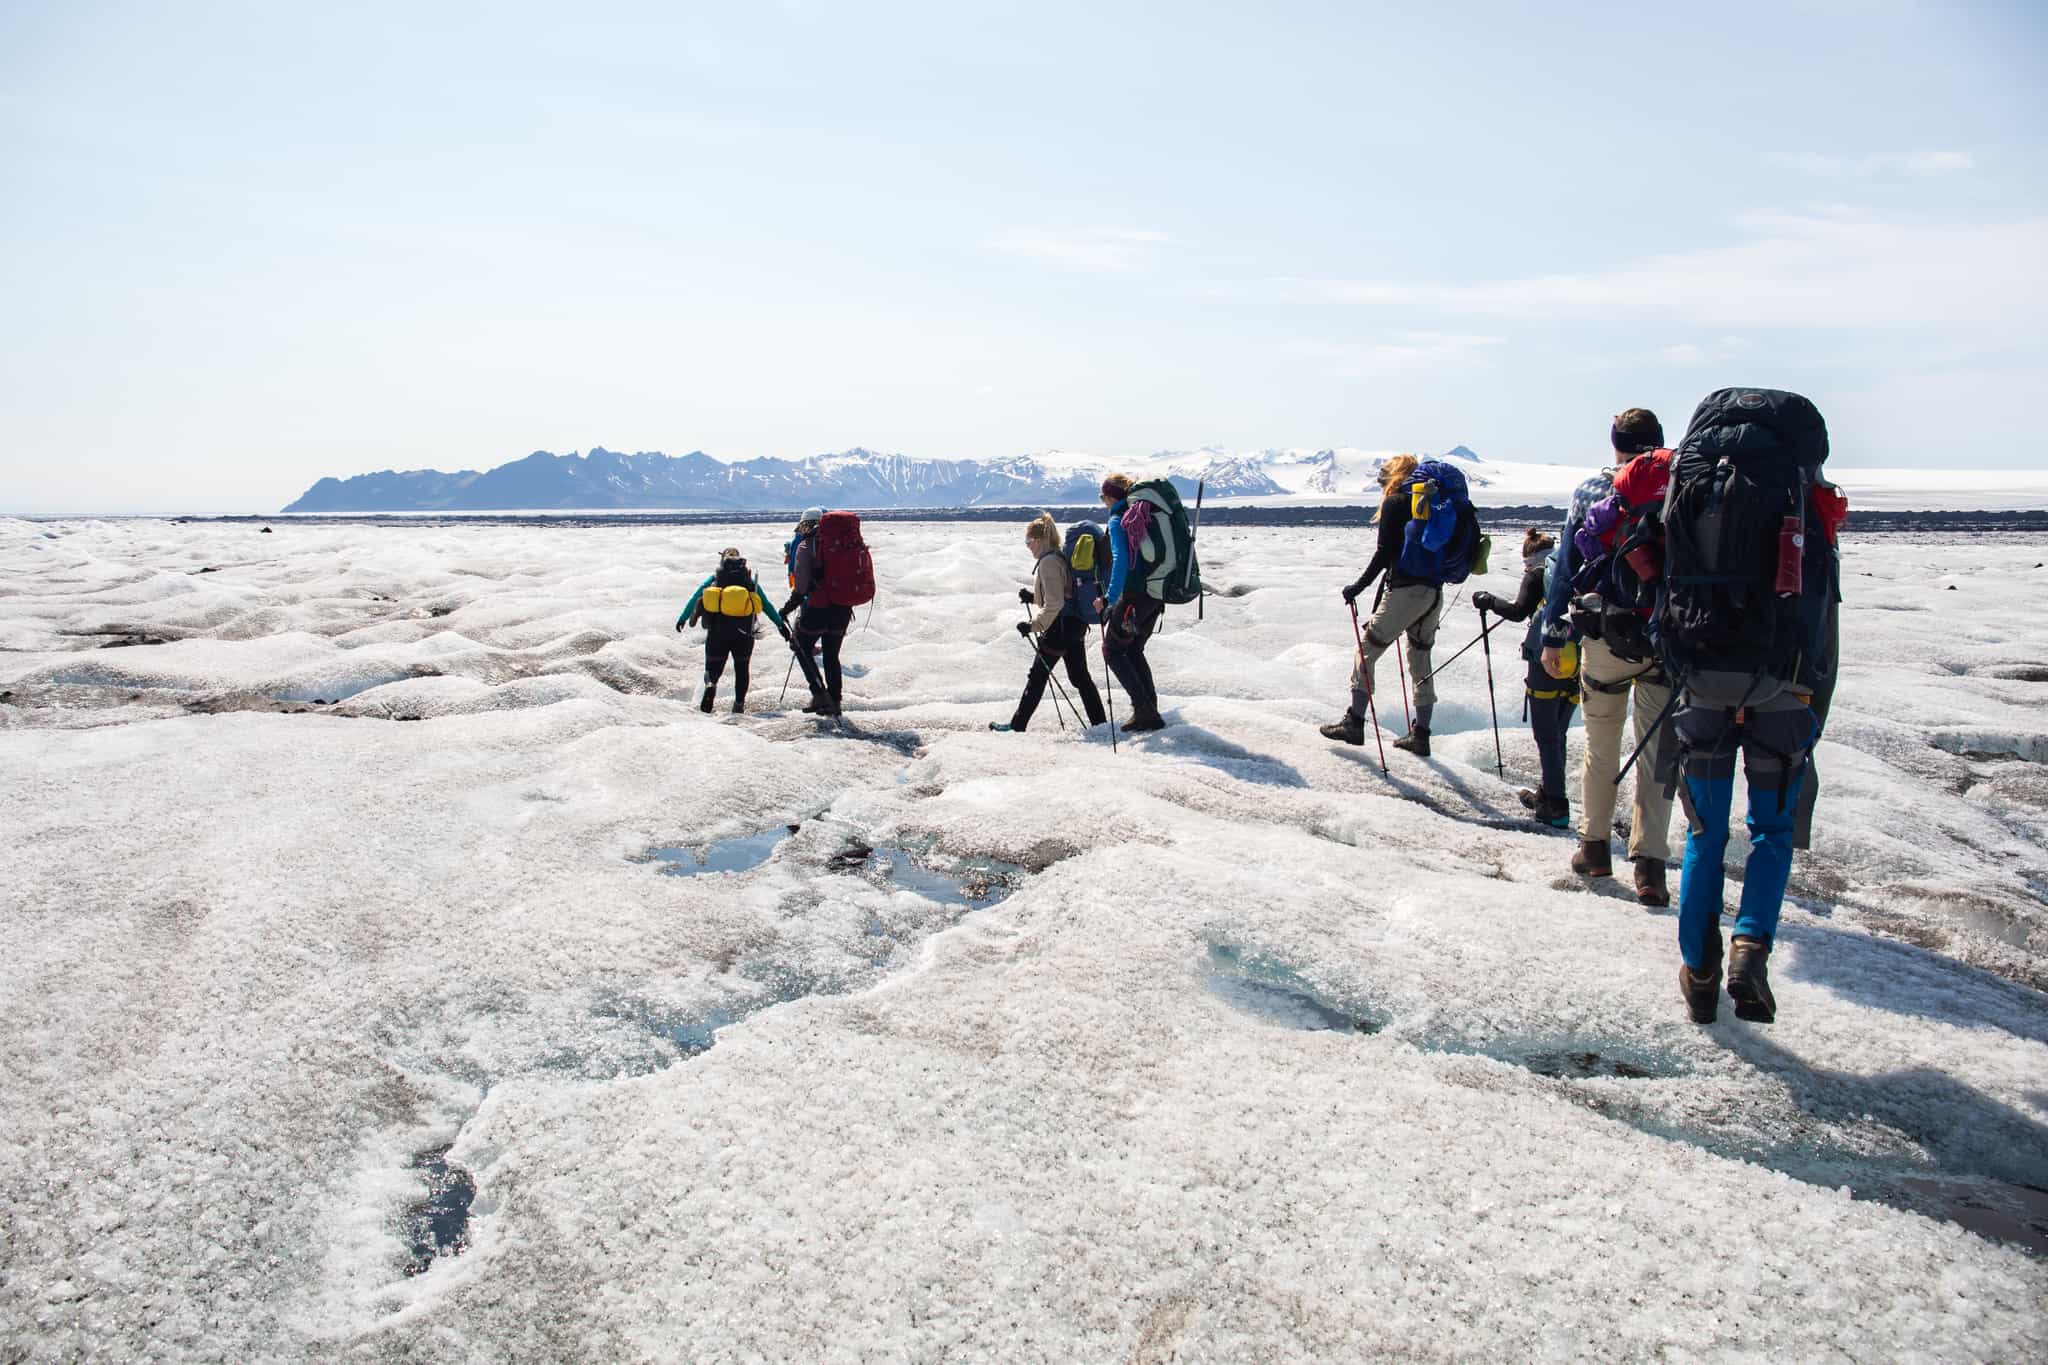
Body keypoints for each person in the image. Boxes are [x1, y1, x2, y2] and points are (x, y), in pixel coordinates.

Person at [1540, 409, 1675, 906]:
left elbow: (1566, 568)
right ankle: (1651, 868)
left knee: (1602, 746)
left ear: (1614, 443)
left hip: (1605, 635)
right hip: (1665, 639)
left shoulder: (1591, 491)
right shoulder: (1683, 485)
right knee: (1658, 753)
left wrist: (1554, 635)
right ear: (1660, 442)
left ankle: (1595, 848)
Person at [1318, 454, 1459, 756]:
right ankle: (1421, 735)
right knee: (1420, 659)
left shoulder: (1396, 502)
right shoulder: (1429, 502)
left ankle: (1354, 723)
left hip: (1406, 592)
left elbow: (1385, 554)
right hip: (1433, 593)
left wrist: (1358, 587)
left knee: (1366, 651)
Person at [1471, 529, 1577, 828]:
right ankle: (1549, 793)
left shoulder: (1538, 574)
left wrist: (1489, 601)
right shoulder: (1571, 571)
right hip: (1576, 661)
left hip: (1545, 659)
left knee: (1546, 735)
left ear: (1528, 556)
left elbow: (1519, 611)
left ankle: (1555, 805)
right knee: (1559, 732)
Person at [991, 513, 1107, 733]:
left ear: (1040, 540)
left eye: (1029, 542)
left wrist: (1033, 625)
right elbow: (1062, 593)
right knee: (1080, 677)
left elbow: (1054, 603)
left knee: (1037, 677)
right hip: (1075, 624)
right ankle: (1100, 724)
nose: (1028, 547)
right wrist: (1033, 597)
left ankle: (1017, 726)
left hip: (1059, 628)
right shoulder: (1059, 557)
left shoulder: (1048, 563)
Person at [676, 548, 790, 714]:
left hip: (717, 632)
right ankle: (739, 704)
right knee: (742, 669)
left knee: (713, 667)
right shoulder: (749, 582)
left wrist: (683, 618)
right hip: (744, 633)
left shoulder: (715, 579)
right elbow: (766, 605)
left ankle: (711, 684)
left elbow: (695, 598)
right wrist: (781, 626)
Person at [1094, 474, 1167, 732]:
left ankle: (1144, 710)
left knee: (1112, 650)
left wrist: (1109, 599)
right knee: (1134, 648)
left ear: (1111, 496)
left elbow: (1121, 561)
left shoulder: (1117, 521)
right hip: (1156, 596)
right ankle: (1150, 709)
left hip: (1134, 597)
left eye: (1103, 497)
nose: (1102, 502)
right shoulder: (1142, 516)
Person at [782, 507, 853, 717]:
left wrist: (787, 608)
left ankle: (819, 694)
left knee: (800, 646)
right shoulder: (843, 544)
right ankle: (835, 701)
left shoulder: (807, 545)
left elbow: (801, 586)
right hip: (842, 610)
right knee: (832, 655)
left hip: (817, 608)